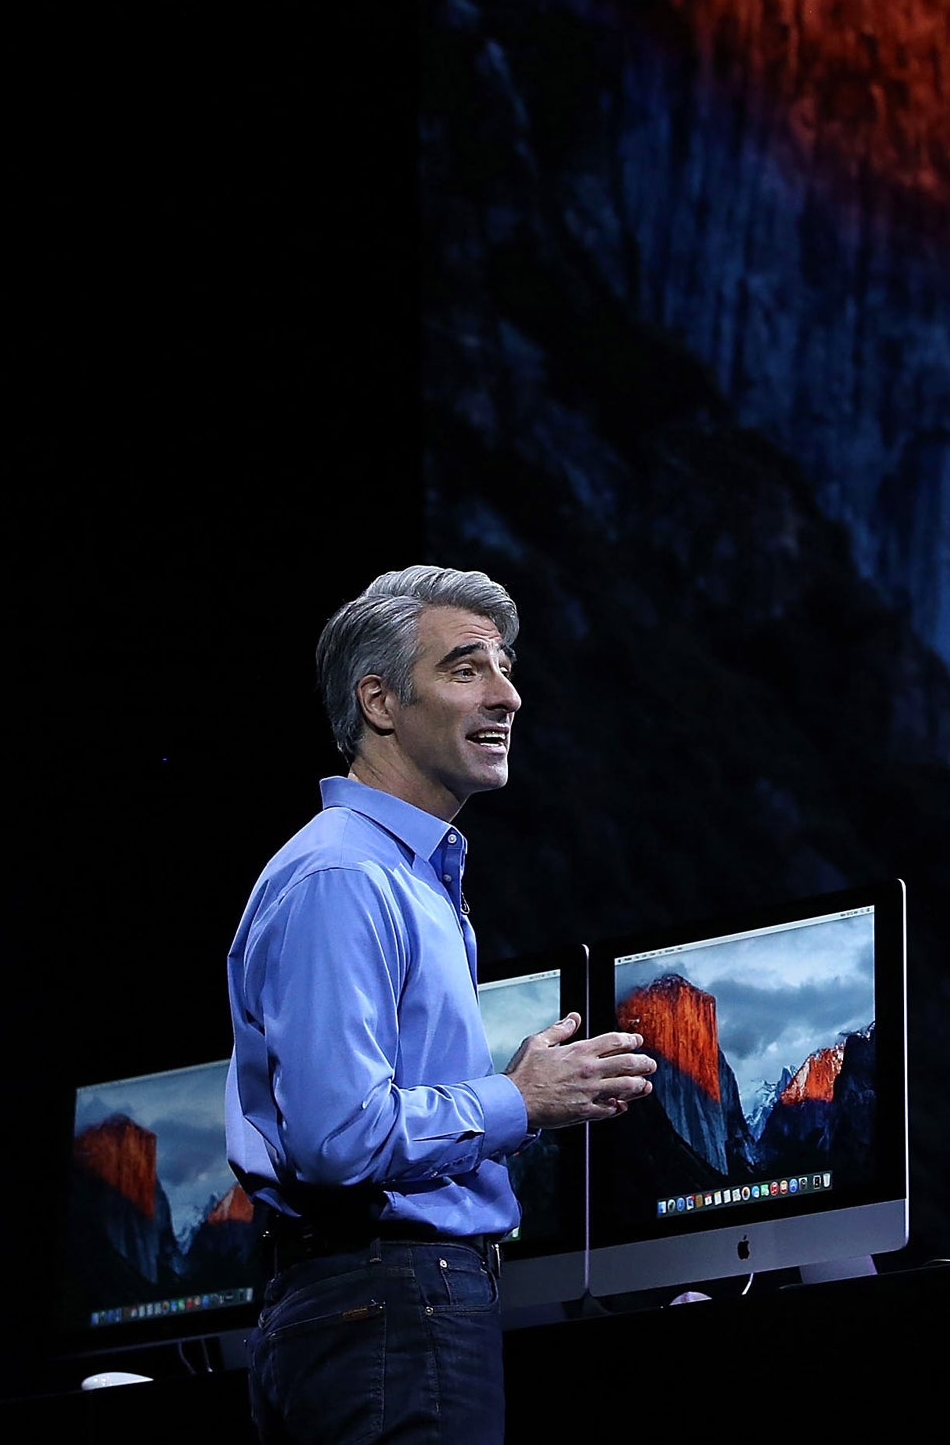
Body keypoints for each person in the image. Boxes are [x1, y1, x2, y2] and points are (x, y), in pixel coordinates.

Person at [225, 565, 656, 1444]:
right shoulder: (345, 876)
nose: (508, 695)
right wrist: (521, 1099)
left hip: (379, 1307)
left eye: (504, 667)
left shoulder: (400, 875)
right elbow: (339, 1136)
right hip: (385, 1302)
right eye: (466, 669)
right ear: (380, 701)